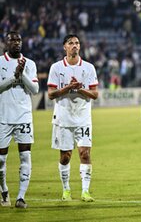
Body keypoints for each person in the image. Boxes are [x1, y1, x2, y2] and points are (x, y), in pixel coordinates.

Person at [47, 34, 98, 202]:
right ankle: (66, 189)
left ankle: (85, 191)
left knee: (84, 153)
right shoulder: (56, 67)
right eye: (71, 43)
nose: (75, 45)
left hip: (83, 117)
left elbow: (95, 94)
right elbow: (51, 94)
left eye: (77, 43)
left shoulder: (89, 67)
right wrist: (69, 88)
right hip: (63, 117)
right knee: (65, 156)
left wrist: (80, 89)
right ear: (65, 47)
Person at [0, 31, 39, 208]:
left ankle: (21, 197)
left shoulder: (29, 64)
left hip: (24, 117)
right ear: (6, 43)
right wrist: (13, 77)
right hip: (3, 117)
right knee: (1, 160)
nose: (16, 42)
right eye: (12, 40)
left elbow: (35, 89)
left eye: (19, 40)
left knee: (25, 156)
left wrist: (22, 74)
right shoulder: (0, 62)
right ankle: (4, 190)